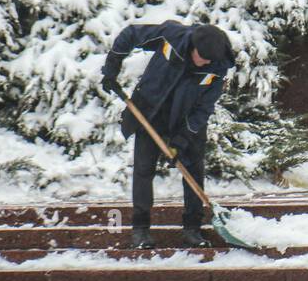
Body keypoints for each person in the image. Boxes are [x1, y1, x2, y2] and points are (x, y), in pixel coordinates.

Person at [100, 21, 235, 249]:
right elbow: (131, 33)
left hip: (187, 121)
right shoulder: (172, 35)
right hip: (151, 111)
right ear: (192, 45)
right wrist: (112, 66)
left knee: (193, 171)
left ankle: (193, 228)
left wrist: (180, 141)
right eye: (200, 56)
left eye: (208, 60)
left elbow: (203, 109)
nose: (203, 62)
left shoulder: (218, 66)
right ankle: (140, 229)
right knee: (144, 170)